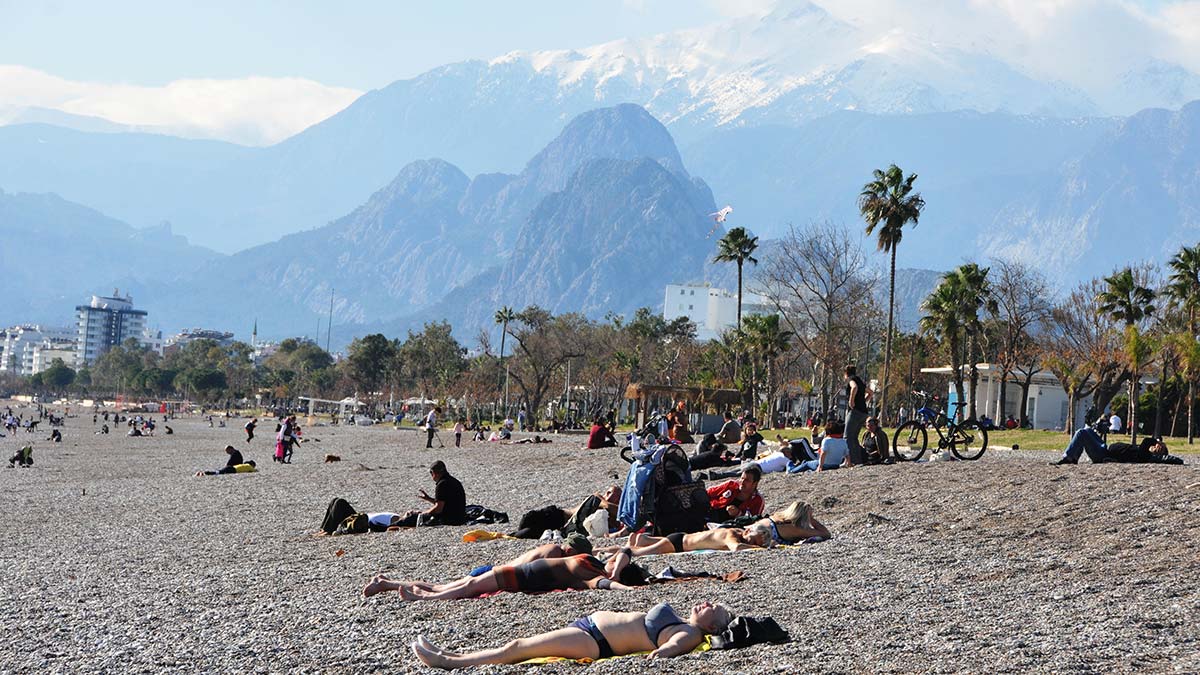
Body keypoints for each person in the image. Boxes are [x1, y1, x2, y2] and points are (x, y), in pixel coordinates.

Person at [409, 601, 734, 668]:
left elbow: (674, 647)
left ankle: (448, 662)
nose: (708, 602)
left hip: (595, 642)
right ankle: (453, 657)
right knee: (519, 645)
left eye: (714, 608)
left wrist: (662, 654)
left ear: (711, 628)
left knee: (517, 647)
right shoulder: (684, 620)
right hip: (589, 628)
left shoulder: (690, 634)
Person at [369, 547, 643, 602]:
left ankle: (421, 598)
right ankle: (390, 584)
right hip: (516, 573)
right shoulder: (592, 562)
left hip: (518, 579)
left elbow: (607, 585)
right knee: (460, 584)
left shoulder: (590, 576)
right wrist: (618, 568)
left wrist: (624, 587)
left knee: (465, 586)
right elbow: (625, 551)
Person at [598, 522, 772, 555]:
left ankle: (643, 538)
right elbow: (736, 549)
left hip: (681, 539)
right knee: (634, 553)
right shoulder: (732, 535)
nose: (751, 544)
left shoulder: (737, 530)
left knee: (640, 546)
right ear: (748, 531)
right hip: (678, 545)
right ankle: (599, 551)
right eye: (753, 540)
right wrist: (762, 550)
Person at [1053, 425, 1181, 465]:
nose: (1156, 447)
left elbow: (1175, 460)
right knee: (1087, 430)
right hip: (1105, 447)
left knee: (1081, 433)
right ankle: (1074, 457)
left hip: (1103, 455)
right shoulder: (1143, 452)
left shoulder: (1144, 455)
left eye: (1159, 449)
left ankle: (1069, 458)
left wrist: (1158, 443)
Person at [395, 460, 467, 527]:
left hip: (449, 520)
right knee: (415, 513)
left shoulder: (442, 484)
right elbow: (446, 503)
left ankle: (389, 526)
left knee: (411, 515)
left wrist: (423, 513)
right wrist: (429, 499)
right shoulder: (454, 481)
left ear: (433, 473)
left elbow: (438, 509)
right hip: (460, 518)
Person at [844, 365, 871, 465]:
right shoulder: (860, 381)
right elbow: (870, 392)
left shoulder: (851, 379)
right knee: (854, 437)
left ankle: (850, 461)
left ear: (846, 373)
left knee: (847, 437)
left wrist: (851, 401)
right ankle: (858, 460)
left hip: (855, 411)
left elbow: (854, 387)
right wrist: (863, 401)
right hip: (863, 412)